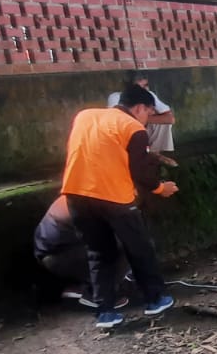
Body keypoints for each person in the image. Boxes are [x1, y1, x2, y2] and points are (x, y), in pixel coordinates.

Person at [61, 84, 180, 329]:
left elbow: (100, 151)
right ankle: (155, 299)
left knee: (98, 253)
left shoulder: (84, 116)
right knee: (139, 248)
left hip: (76, 194)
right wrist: (161, 188)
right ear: (139, 108)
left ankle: (105, 313)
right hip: (114, 198)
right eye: (148, 113)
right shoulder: (134, 128)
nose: (147, 119)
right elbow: (140, 171)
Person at [32, 195, 126, 307]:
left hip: (58, 251)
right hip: (56, 257)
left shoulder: (81, 196)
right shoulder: (86, 206)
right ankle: (97, 293)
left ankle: (85, 286)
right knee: (126, 245)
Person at [106, 72, 176, 162]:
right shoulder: (116, 97)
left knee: (161, 121)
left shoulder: (148, 94)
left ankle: (154, 153)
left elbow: (170, 119)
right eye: (141, 86)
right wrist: (139, 120)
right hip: (122, 136)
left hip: (138, 128)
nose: (145, 89)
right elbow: (119, 120)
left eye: (146, 85)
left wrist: (145, 118)